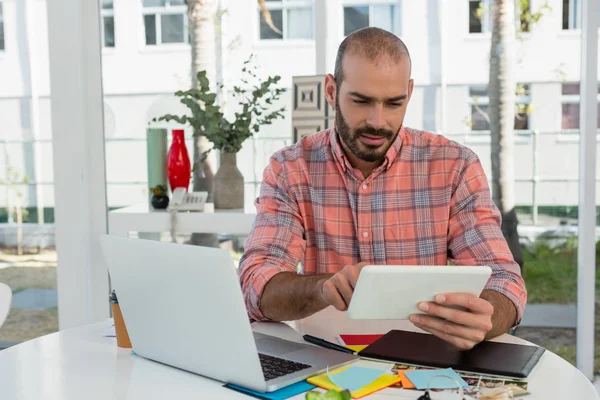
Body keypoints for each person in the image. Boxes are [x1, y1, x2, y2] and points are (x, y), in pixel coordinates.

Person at [238, 27, 527, 351]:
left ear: (409, 93)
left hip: (424, 361)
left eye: (394, 103)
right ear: (331, 91)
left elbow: (505, 282)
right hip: (324, 361)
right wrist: (323, 289)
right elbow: (255, 285)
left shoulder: (454, 166)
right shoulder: (290, 169)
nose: (378, 121)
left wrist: (486, 316)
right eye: (361, 101)